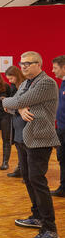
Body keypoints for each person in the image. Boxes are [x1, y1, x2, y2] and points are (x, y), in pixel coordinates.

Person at [2, 51, 60, 238]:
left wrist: (15, 104)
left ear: (39, 64)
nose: (24, 66)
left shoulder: (46, 82)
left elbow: (14, 101)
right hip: (22, 139)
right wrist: (17, 107)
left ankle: (50, 228)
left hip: (39, 140)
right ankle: (37, 216)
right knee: (28, 179)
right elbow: (12, 104)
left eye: (28, 63)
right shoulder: (26, 83)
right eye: (22, 63)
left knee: (37, 181)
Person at [5, 66, 26, 178]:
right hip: (16, 119)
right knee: (18, 146)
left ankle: (26, 172)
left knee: (24, 146)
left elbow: (20, 103)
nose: (10, 81)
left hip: (24, 120)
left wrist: (9, 105)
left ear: (16, 75)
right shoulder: (13, 86)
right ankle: (20, 168)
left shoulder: (25, 85)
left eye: (11, 78)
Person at [50, 55, 65, 197]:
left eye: (55, 68)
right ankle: (63, 187)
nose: (53, 71)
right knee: (62, 158)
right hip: (61, 128)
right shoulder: (62, 83)